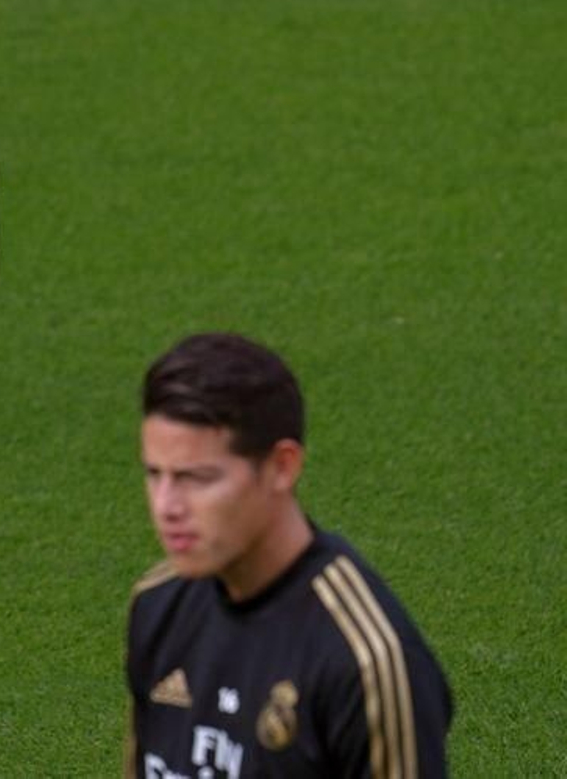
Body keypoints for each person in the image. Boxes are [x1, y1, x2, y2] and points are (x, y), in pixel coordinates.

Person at [127, 332, 452, 778]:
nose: (166, 506)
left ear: (282, 467)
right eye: (154, 474)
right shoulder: (158, 603)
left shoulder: (365, 661)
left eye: (196, 478)